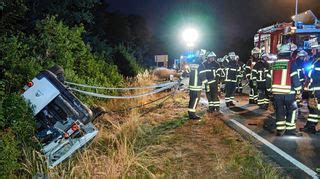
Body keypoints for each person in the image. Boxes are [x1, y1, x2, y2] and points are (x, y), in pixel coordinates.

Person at [267, 43, 302, 136]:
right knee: (292, 109)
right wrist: (299, 90)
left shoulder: (274, 64)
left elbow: (268, 79)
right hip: (289, 93)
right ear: (289, 53)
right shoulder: (291, 63)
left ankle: (280, 130)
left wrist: (269, 91)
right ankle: (290, 130)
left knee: (279, 110)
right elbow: (295, 78)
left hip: (276, 93)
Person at [301, 38, 320, 134]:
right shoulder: (315, 60)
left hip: (317, 90)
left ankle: (312, 127)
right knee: (313, 109)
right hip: (314, 89)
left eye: (313, 49)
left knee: (316, 109)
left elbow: (313, 75)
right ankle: (310, 126)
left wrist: (307, 73)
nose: (312, 51)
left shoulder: (318, 61)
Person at [188, 49, 208, 120]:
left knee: (192, 99)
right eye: (203, 56)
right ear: (200, 55)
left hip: (192, 85)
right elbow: (202, 76)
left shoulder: (192, 62)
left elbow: (189, 72)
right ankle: (192, 115)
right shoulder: (200, 64)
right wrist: (206, 84)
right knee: (195, 99)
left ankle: (190, 113)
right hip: (197, 86)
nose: (204, 57)